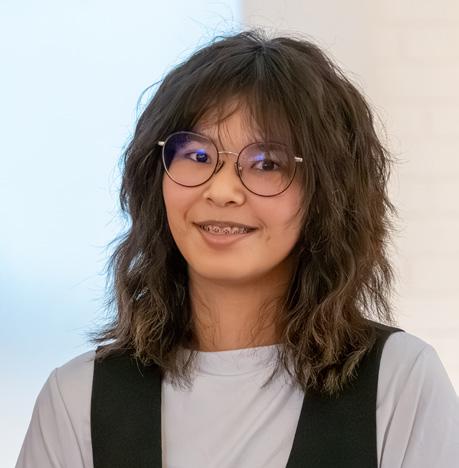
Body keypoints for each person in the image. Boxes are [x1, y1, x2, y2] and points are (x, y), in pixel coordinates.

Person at [16, 29, 458, 468]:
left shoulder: (399, 382)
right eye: (198, 156)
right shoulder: (77, 399)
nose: (222, 190)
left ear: (328, 194)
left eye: (266, 163)